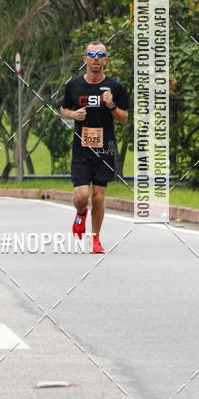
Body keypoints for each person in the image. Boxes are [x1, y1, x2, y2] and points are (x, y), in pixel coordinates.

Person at [59, 41, 129, 253]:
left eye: (100, 54)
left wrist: (111, 105)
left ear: (106, 60)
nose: (96, 58)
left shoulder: (115, 88)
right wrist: (74, 114)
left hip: (105, 150)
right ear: (85, 59)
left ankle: (95, 238)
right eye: (92, 54)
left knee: (98, 196)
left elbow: (124, 118)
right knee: (82, 196)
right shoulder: (73, 86)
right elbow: (63, 109)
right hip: (81, 149)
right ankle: (81, 213)